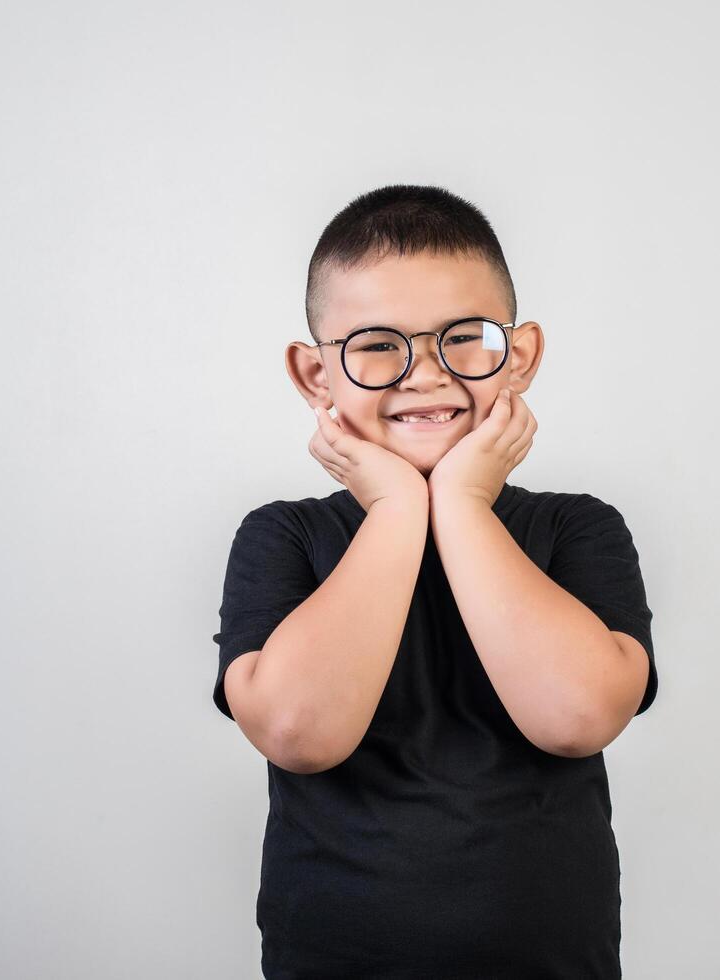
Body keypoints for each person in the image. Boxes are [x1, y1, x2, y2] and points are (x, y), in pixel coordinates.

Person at [211, 184, 658, 979]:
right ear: (315, 375)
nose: (424, 375)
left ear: (516, 357)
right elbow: (298, 735)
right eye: (377, 344)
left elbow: (577, 717)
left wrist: (460, 499)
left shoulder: (575, 529)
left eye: (465, 338)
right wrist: (394, 505)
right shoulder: (282, 537)